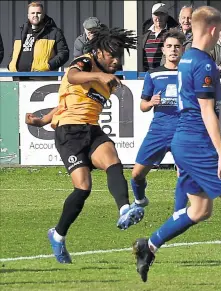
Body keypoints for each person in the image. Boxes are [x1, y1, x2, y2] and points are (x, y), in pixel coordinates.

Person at [132, 6, 221, 288]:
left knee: (199, 210)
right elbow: (207, 112)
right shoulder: (205, 63)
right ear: (212, 30)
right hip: (197, 144)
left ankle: (148, 246)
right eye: (219, 29)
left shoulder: (187, 61)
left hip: (184, 140)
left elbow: (203, 104)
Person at [25, 26, 144, 264]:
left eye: (119, 54)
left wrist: (42, 119)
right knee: (83, 187)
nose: (116, 59)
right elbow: (71, 78)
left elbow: (68, 100)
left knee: (113, 161)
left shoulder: (110, 80)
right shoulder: (86, 62)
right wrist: (43, 121)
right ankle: (57, 235)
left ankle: (124, 209)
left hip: (92, 129)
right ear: (99, 51)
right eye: (111, 54)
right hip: (68, 132)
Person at [131, 29, 188, 211]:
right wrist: (151, 103)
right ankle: (140, 200)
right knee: (137, 174)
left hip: (183, 130)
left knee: (183, 174)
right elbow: (142, 105)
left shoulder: (188, 73)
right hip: (159, 130)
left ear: (183, 50)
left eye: (177, 47)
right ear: (163, 50)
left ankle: (178, 214)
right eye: (169, 46)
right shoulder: (153, 74)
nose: (173, 50)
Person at [8, 1, 69, 74]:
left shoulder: (54, 32)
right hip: (17, 76)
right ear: (28, 15)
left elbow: (64, 54)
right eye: (32, 13)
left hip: (42, 77)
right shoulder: (21, 32)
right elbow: (13, 53)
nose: (35, 15)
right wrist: (10, 65)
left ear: (43, 15)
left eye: (38, 13)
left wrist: (48, 66)